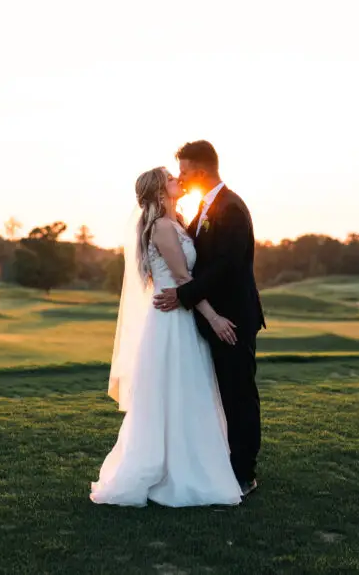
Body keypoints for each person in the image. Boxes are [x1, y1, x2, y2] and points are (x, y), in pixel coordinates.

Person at [90, 166, 242, 507]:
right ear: (161, 192)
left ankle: (188, 467)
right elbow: (183, 279)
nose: (179, 180)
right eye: (172, 178)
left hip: (181, 320)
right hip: (171, 324)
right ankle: (176, 474)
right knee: (175, 393)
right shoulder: (160, 227)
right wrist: (215, 318)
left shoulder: (175, 223)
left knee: (187, 393)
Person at [154, 140, 265, 496]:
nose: (181, 178)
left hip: (232, 318)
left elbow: (226, 267)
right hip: (210, 317)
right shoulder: (205, 206)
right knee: (220, 394)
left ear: (200, 171)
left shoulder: (230, 208)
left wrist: (184, 295)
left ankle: (244, 474)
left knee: (239, 395)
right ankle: (219, 462)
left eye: (184, 171)